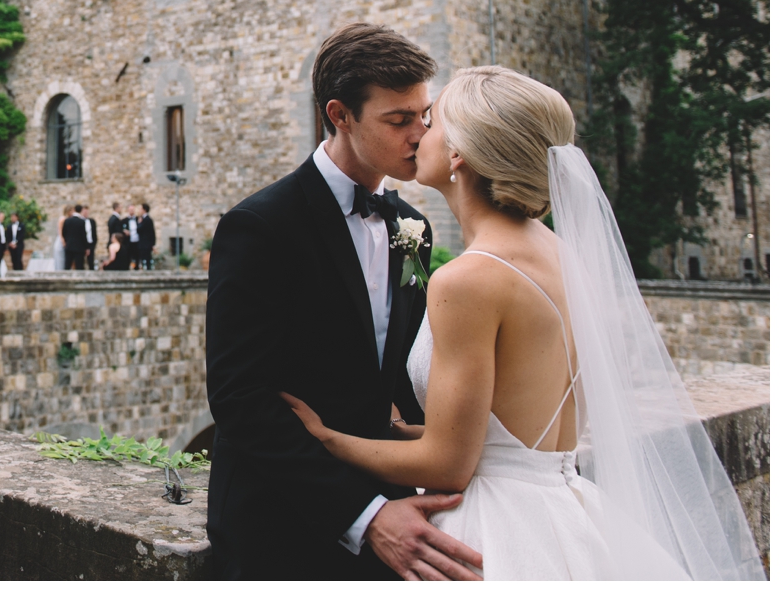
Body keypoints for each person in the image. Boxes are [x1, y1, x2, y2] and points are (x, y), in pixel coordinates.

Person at [282, 65, 764, 580]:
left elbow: (448, 464)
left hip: (494, 533)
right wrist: (397, 431)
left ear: (459, 153)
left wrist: (330, 440)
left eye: (433, 120)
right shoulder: (562, 255)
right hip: (565, 512)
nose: (418, 131)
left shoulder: (467, 280)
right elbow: (504, 432)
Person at [206, 22, 468, 580]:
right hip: (281, 522)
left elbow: (404, 375)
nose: (419, 135)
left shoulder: (412, 226)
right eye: (398, 120)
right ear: (340, 114)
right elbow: (239, 400)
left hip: (395, 502)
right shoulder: (260, 226)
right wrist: (366, 517)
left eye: (423, 116)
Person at [60, 204, 87, 271]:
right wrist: (86, 247)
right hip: (79, 247)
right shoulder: (81, 222)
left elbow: (63, 233)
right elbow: (83, 235)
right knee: (79, 266)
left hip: (69, 245)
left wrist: (67, 241)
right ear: (81, 211)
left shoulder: (67, 220)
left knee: (67, 265)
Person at [136, 203, 156, 270]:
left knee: (146, 260)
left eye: (140, 209)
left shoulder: (146, 220)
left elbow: (139, 230)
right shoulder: (147, 219)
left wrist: (139, 223)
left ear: (144, 210)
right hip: (146, 244)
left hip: (145, 244)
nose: (139, 210)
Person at [80, 206, 97, 270]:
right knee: (81, 261)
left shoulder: (92, 221)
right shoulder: (79, 221)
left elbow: (94, 233)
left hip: (90, 243)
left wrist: (94, 243)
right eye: (84, 211)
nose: (86, 213)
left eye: (87, 211)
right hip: (82, 244)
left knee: (91, 261)